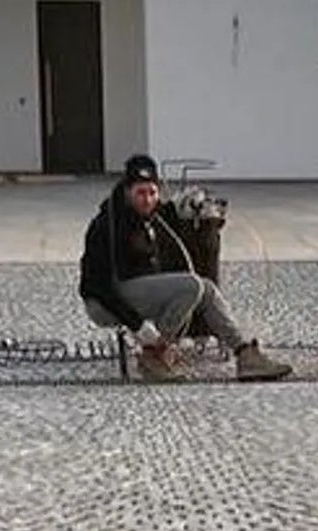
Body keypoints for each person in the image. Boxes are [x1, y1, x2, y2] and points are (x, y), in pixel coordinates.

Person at [79, 155, 291, 383]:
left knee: (206, 289)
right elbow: (94, 285)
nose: (147, 200)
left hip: (135, 292)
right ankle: (155, 354)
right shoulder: (107, 224)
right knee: (192, 285)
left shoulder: (152, 216)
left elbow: (180, 217)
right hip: (105, 301)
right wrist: (139, 327)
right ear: (127, 192)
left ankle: (245, 354)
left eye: (152, 192)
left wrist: (200, 210)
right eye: (140, 193)